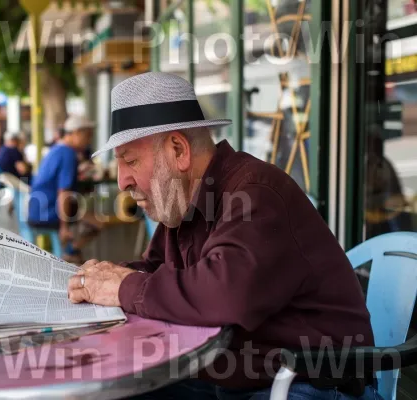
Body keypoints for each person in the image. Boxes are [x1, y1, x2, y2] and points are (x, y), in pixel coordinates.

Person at [66, 72, 380, 399]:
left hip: (311, 384)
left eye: (130, 161)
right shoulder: (184, 203)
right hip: (240, 378)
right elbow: (154, 273)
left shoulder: (256, 194)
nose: (122, 181)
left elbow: (225, 293)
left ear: (178, 150)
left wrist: (122, 286)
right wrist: (102, 278)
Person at [28, 115, 104, 264]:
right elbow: (64, 193)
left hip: (37, 209)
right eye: (88, 135)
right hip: (49, 212)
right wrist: (64, 227)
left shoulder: (56, 149)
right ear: (76, 133)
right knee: (97, 222)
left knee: (85, 215)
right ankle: (70, 251)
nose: (89, 140)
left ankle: (71, 250)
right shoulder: (68, 154)